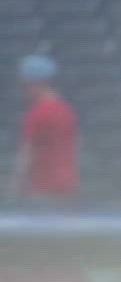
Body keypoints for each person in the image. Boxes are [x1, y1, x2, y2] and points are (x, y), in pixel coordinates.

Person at [11, 56, 77, 207]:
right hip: (67, 184)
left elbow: (28, 152)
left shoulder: (38, 113)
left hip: (43, 187)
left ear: (35, 84)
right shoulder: (66, 110)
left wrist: (16, 185)